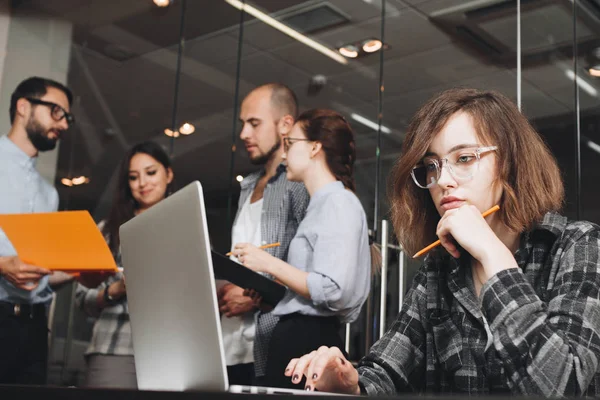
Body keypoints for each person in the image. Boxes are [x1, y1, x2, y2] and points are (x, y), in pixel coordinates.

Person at [283, 88, 600, 396]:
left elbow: (563, 386)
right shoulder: (440, 266)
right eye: (432, 166)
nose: (443, 180)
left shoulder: (577, 245)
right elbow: (389, 369)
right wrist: (350, 383)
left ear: (509, 163)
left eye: (463, 158)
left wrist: (493, 255)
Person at [232, 109, 372, 389]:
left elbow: (332, 289)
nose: (284, 155)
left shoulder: (338, 202)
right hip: (298, 337)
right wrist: (272, 297)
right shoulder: (321, 204)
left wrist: (266, 262)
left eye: (290, 143)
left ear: (314, 148)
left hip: (308, 341)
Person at [218, 83, 309, 386]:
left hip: (272, 344)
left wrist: (253, 297)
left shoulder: (300, 185)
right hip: (229, 347)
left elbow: (315, 277)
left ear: (285, 125)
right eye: (243, 124)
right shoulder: (247, 187)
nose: (244, 134)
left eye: (254, 123)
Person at [75, 141, 174, 389]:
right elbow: (81, 297)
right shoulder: (107, 230)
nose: (143, 183)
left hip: (172, 351)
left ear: (168, 174)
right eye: (133, 177)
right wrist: (116, 291)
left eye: (151, 172)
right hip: (114, 347)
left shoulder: (189, 224)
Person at [0, 76, 76, 384]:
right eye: (56, 111)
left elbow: (39, 273)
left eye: (67, 117)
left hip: (32, 329)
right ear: (23, 107)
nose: (65, 124)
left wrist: (77, 271)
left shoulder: (49, 194)